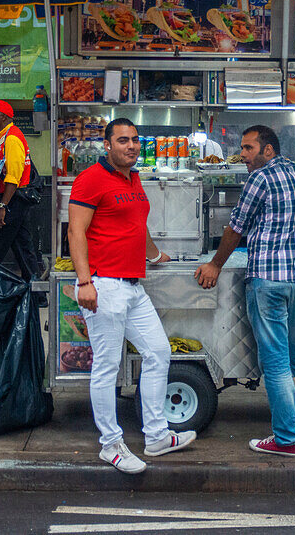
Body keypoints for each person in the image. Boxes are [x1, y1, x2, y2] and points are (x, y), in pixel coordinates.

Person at [195, 125, 295, 458]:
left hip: (269, 281)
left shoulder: (259, 179)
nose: (242, 154)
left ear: (268, 150)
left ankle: (288, 438)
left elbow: (236, 227)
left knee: (275, 364)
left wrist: (215, 264)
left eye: (248, 148)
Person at [67, 117, 195, 474]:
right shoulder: (91, 179)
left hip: (133, 285)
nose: (132, 146)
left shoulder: (134, 179)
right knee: (107, 368)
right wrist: (84, 281)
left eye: (135, 140)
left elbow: (137, 227)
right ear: (107, 145)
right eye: (123, 140)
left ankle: (155, 435)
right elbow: (76, 233)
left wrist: (154, 256)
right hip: (104, 284)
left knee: (158, 351)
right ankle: (110, 444)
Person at [0, 100, 44, 282]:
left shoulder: (11, 138)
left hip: (13, 201)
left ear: (4, 117)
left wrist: (2, 206)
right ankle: (37, 294)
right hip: (15, 201)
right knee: (23, 248)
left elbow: (13, 178)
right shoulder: (4, 137)